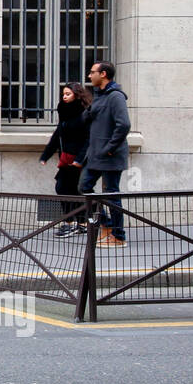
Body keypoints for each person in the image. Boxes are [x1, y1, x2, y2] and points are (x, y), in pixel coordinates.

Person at [77, 60, 130, 247]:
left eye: (93, 72)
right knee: (85, 187)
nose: (89, 76)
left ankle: (118, 236)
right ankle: (106, 225)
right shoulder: (99, 95)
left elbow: (124, 125)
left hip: (109, 155)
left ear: (104, 74)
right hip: (95, 155)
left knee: (111, 195)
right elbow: (88, 119)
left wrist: (110, 148)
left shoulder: (115, 96)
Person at [39, 82, 91, 236]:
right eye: (63, 94)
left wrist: (80, 159)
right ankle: (80, 222)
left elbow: (89, 139)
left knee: (69, 189)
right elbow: (58, 135)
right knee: (68, 189)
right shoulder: (64, 112)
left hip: (80, 159)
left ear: (77, 94)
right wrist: (46, 155)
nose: (64, 97)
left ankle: (72, 222)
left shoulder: (84, 114)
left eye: (68, 94)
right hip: (67, 158)